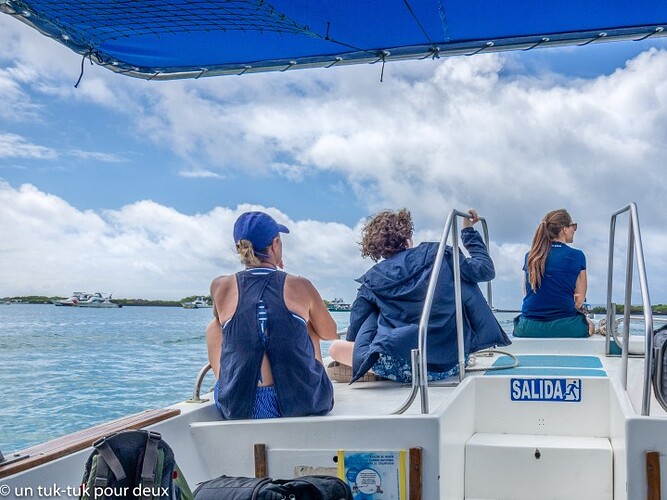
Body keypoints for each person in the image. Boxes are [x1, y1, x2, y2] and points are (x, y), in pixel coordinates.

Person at [328, 208, 511, 383]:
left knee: (336, 347)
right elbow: (485, 270)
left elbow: (356, 326)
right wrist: (468, 232)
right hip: (453, 362)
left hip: (401, 365)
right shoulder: (441, 255)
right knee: (459, 281)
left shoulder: (371, 280)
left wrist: (358, 349)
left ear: (377, 248)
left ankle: (370, 368)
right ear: (408, 237)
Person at [207, 211, 338, 419]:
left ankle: (226, 384)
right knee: (309, 325)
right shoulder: (299, 284)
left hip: (241, 406)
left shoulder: (220, 285)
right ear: (275, 243)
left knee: (215, 326)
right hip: (303, 402)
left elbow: (231, 322)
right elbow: (330, 332)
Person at [513, 209, 595, 338]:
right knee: (590, 324)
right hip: (565, 327)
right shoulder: (577, 255)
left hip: (526, 328)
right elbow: (579, 301)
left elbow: (527, 292)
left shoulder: (531, 256)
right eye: (573, 226)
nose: (574, 230)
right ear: (565, 229)